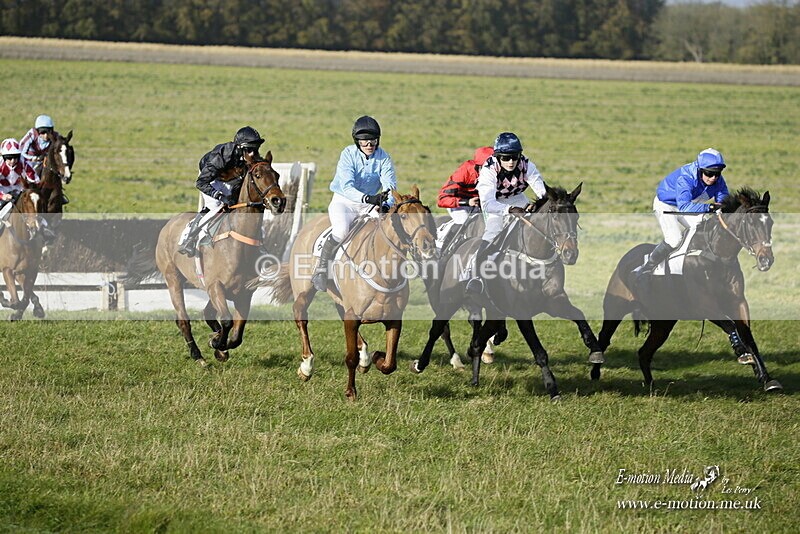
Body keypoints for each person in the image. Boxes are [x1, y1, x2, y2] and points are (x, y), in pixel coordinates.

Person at [311, 115, 397, 292]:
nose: (369, 145)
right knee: (341, 230)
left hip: (370, 204)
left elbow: (390, 185)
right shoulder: (348, 154)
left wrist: (387, 204)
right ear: (357, 141)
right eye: (364, 141)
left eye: (372, 140)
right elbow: (347, 186)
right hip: (345, 202)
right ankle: (321, 269)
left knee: (387, 229)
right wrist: (368, 198)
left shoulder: (384, 157)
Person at [465, 132, 547, 295]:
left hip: (517, 198)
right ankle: (475, 277)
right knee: (492, 232)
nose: (511, 162)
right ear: (498, 157)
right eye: (505, 158)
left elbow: (542, 192)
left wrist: (536, 206)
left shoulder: (527, 165)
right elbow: (487, 203)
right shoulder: (489, 169)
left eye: (515, 157)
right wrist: (508, 210)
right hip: (495, 202)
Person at [632, 148, 730, 277]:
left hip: (689, 203)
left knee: (704, 229)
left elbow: (723, 198)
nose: (713, 178)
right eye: (709, 173)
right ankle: (646, 268)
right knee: (674, 239)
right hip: (667, 205)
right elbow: (684, 207)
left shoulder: (717, 179)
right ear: (700, 169)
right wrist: (710, 208)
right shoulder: (686, 178)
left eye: (717, 174)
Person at [177, 126, 265, 257]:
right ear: (240, 148)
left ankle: (259, 245)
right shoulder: (223, 156)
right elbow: (201, 183)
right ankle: (188, 237)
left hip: (231, 179)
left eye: (255, 149)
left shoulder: (250, 158)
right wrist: (220, 196)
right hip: (211, 179)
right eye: (250, 149)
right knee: (216, 207)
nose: (253, 153)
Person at [436, 146, 493, 252]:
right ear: (478, 166)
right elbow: (442, 199)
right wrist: (467, 202)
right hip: (459, 204)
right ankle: (444, 252)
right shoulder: (464, 171)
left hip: (481, 204)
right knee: (463, 221)